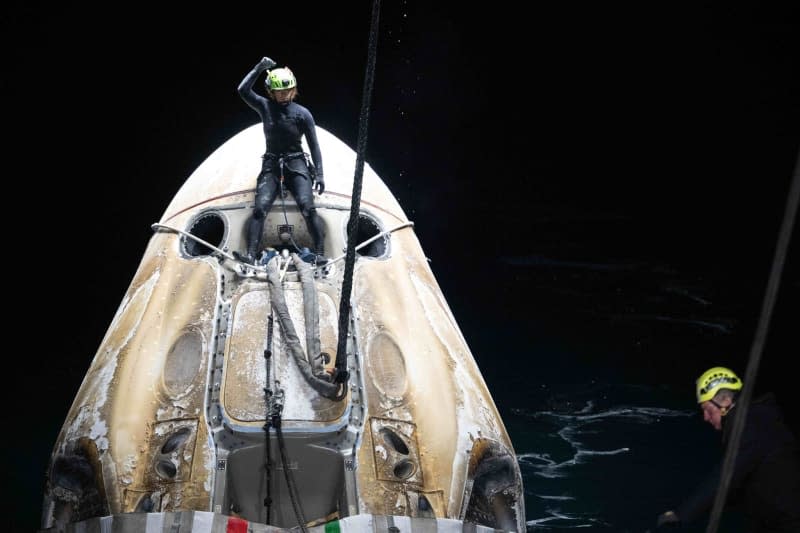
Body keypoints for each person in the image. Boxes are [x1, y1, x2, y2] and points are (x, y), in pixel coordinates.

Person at [654, 366, 800, 532]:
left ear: (725, 403)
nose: (706, 418)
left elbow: (726, 477)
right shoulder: (754, 420)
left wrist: (680, 515)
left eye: (708, 410)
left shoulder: (751, 424)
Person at [235, 56, 326, 265]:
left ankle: (320, 253)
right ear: (271, 91)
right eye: (280, 92)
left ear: (293, 90)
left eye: (287, 91)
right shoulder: (265, 107)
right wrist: (259, 68)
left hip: (296, 163)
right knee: (259, 209)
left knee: (308, 208)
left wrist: (320, 174)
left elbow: (314, 145)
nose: (284, 95)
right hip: (272, 164)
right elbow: (243, 90)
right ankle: (250, 254)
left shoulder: (303, 114)